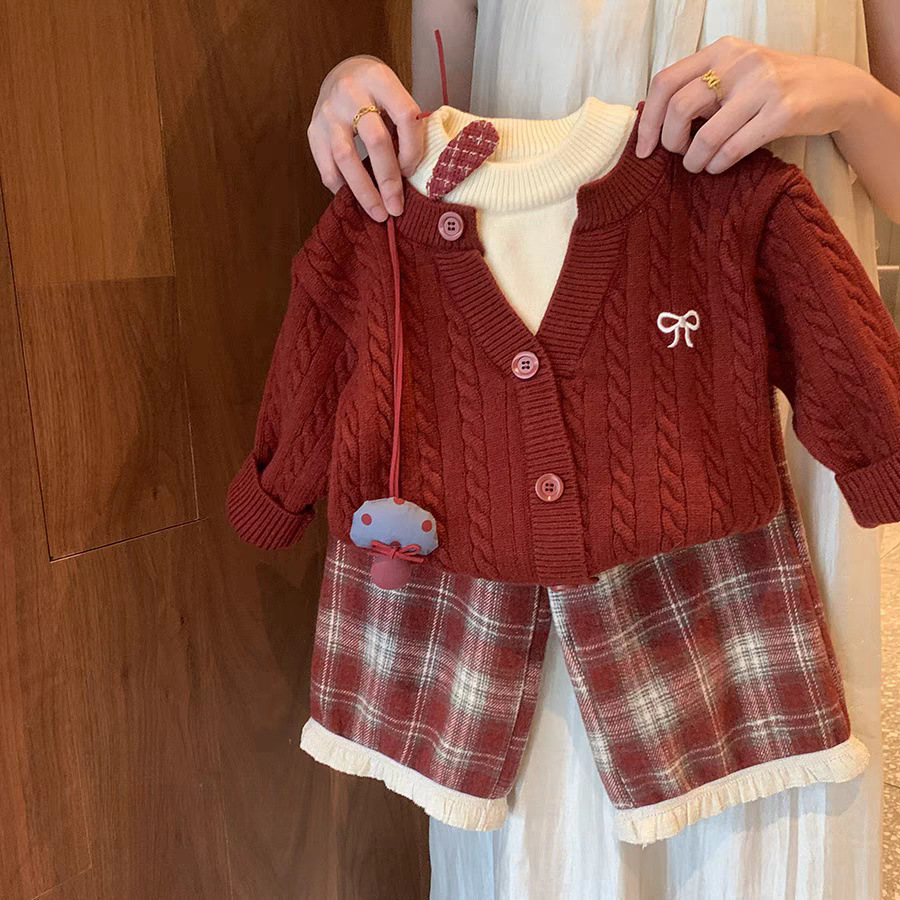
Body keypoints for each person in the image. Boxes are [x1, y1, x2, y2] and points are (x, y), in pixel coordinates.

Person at [304, 3, 900, 897]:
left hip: (762, 416)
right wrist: (353, 96)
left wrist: (850, 98)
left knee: (775, 823)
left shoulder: (763, 209)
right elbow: (421, 168)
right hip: (494, 485)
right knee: (550, 847)